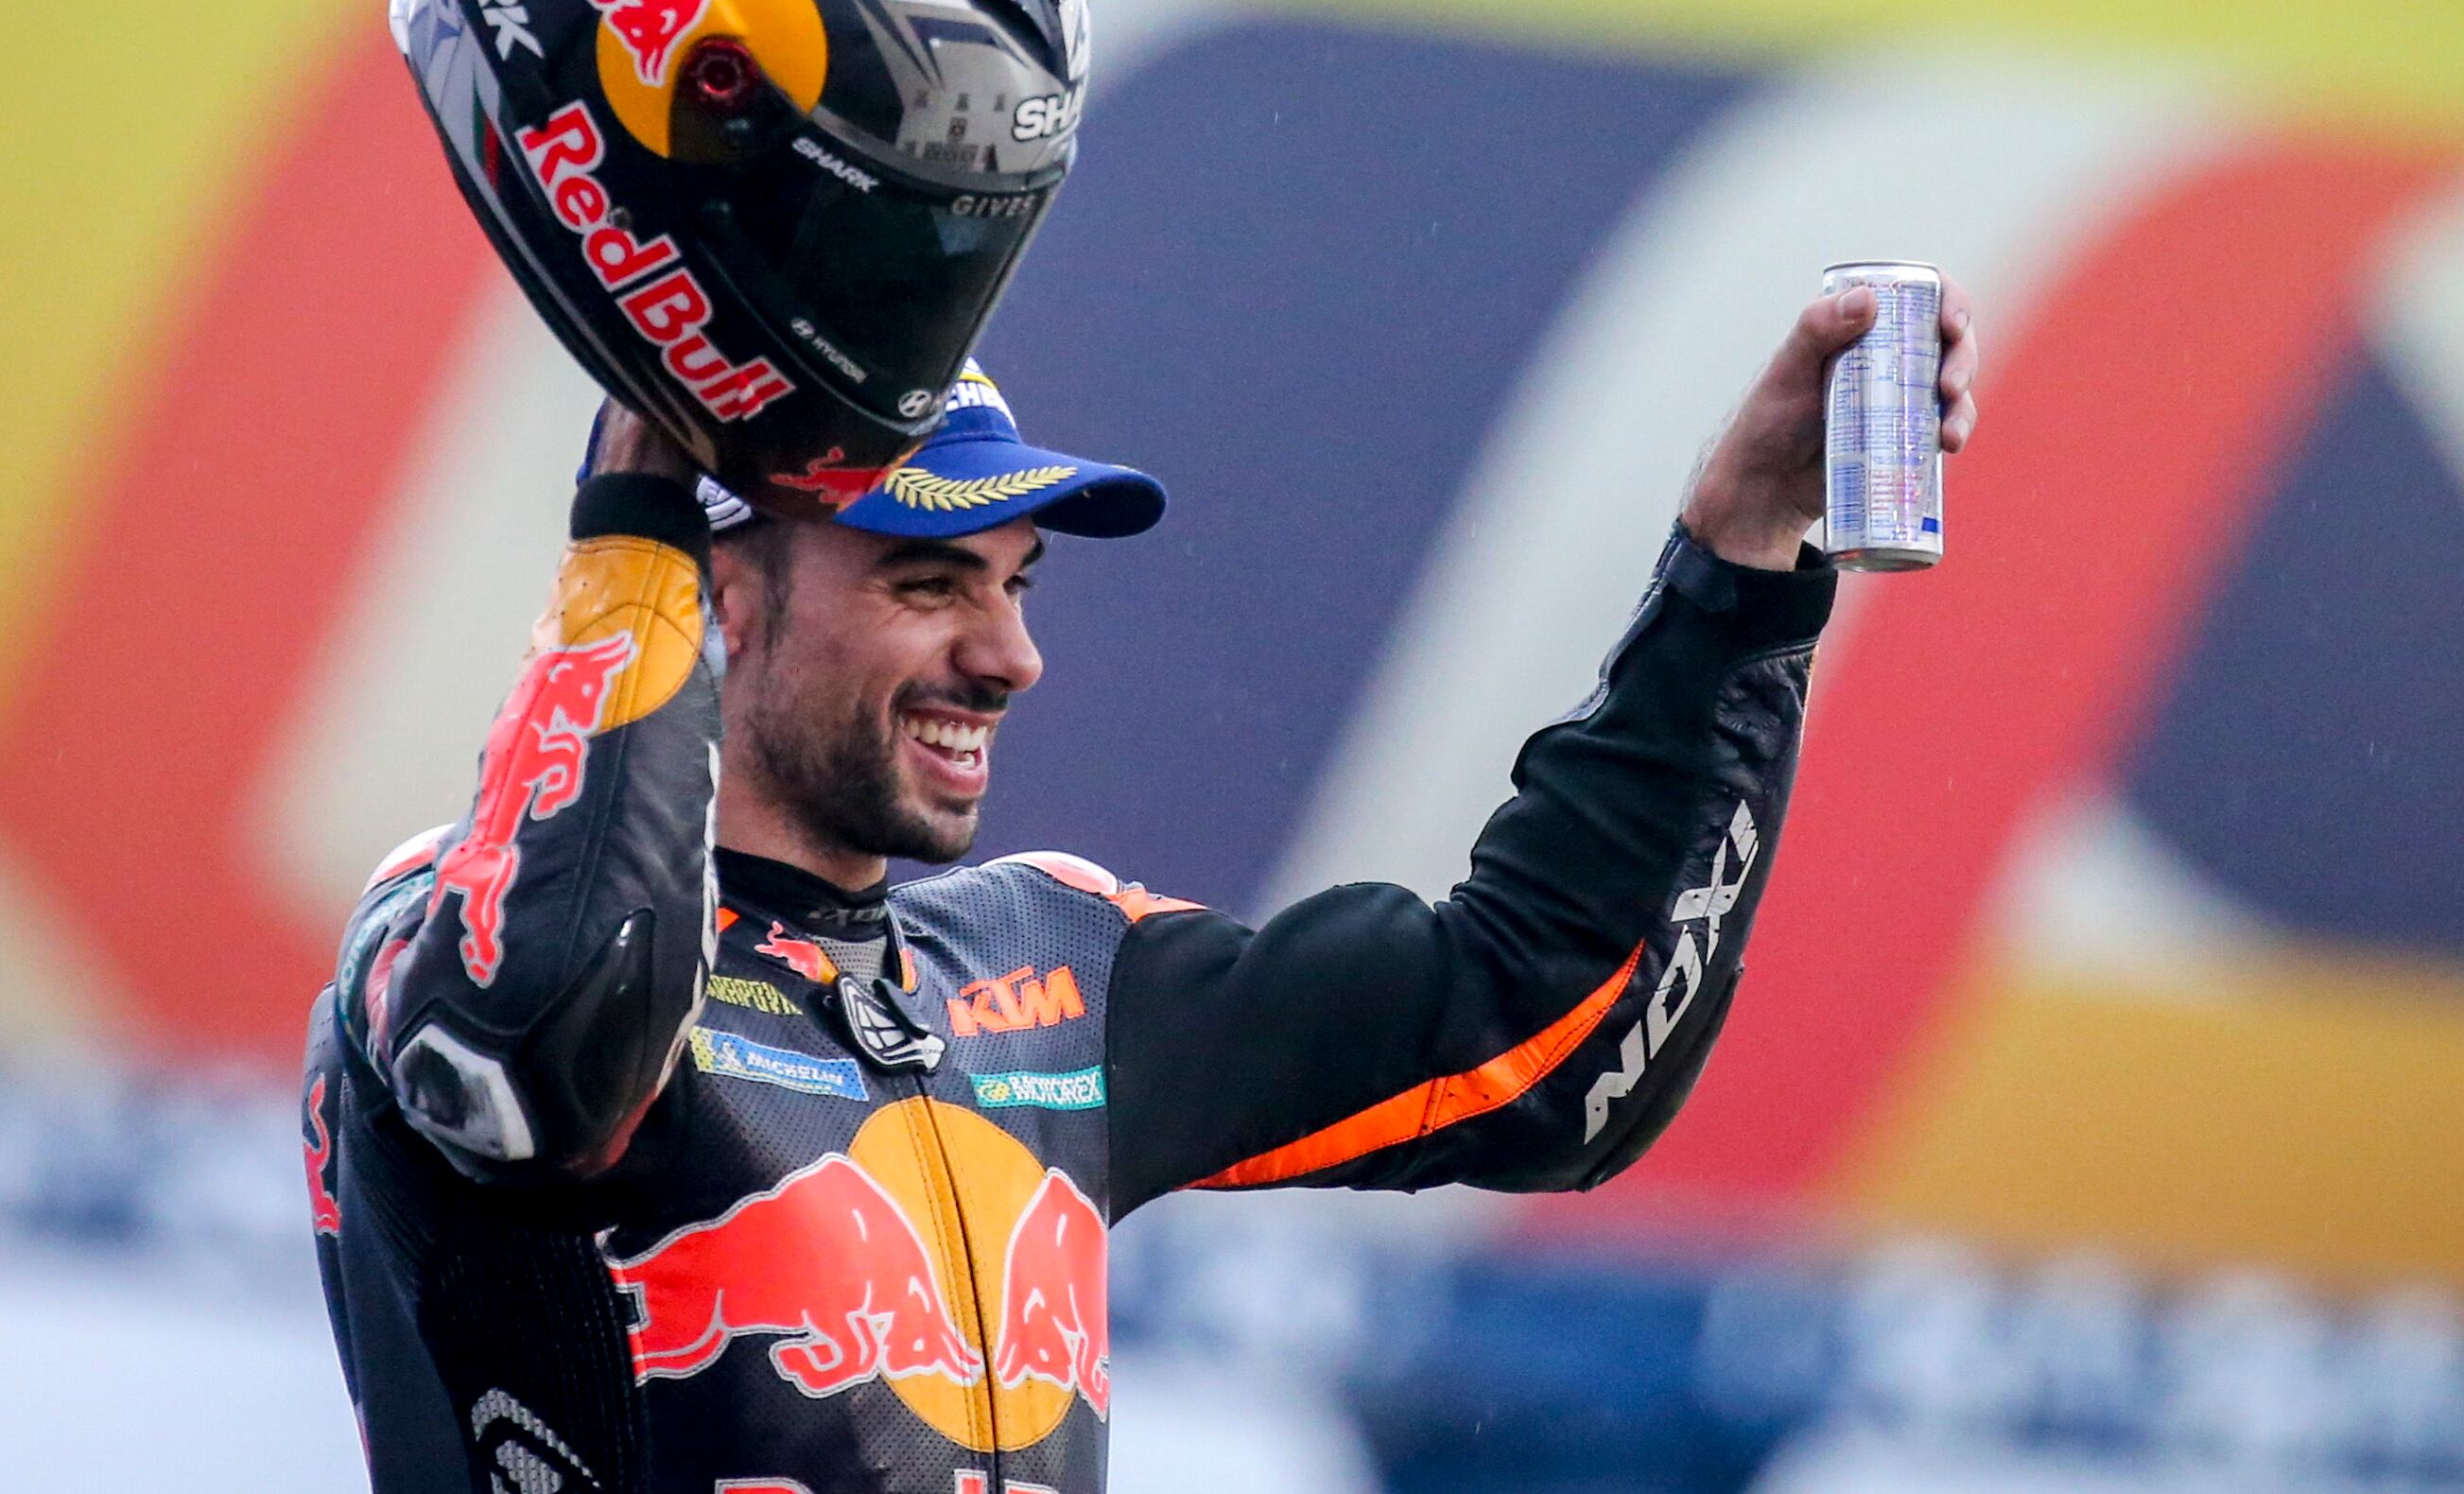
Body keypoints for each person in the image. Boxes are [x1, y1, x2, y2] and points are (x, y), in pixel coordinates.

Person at [301, 287, 1977, 1493]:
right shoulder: (450, 945)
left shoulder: (1049, 961)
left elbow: (1545, 1040)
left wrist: (1741, 570)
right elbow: (547, 1020)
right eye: (930, 580)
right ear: (718, 591)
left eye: (1018, 584)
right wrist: (632, 512)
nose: (1011, 653)